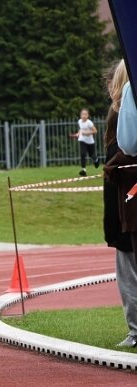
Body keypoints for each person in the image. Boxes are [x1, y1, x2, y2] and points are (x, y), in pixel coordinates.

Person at [102, 60, 137, 348]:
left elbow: (124, 152)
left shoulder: (122, 111)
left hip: (126, 199)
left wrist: (113, 168)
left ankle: (135, 329)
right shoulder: (118, 111)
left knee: (128, 266)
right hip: (122, 198)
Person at [75, 108, 99, 176]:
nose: (84, 115)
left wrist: (87, 133)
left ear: (88, 115)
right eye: (82, 114)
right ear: (80, 115)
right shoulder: (79, 121)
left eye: (85, 114)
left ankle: (96, 160)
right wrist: (78, 133)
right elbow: (81, 129)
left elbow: (95, 131)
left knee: (92, 155)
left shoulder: (89, 123)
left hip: (90, 142)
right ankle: (83, 170)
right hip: (82, 140)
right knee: (83, 154)